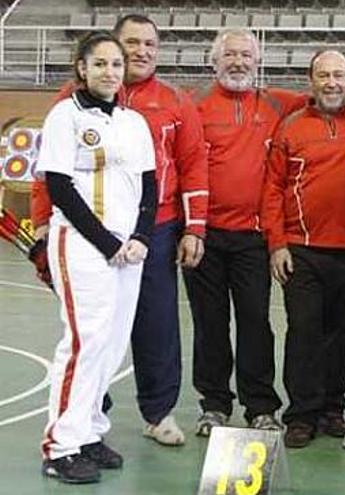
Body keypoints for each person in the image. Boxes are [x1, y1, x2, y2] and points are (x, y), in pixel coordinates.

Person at [30, 14, 208, 446]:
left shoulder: (173, 102)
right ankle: (80, 426)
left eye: (149, 44)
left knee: (156, 324)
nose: (139, 52)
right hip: (87, 237)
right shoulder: (67, 107)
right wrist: (40, 227)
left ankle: (157, 412)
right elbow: (50, 177)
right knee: (91, 333)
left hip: (153, 231)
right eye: (130, 43)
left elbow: (190, 164)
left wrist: (192, 227)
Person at [188, 29, 345, 436]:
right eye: (230, 55)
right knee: (210, 325)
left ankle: (263, 407)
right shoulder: (194, 105)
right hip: (207, 235)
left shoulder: (278, 104)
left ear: (258, 61)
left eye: (246, 55)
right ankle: (215, 404)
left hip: (257, 238)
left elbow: (334, 98)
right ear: (214, 60)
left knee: (258, 323)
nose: (238, 62)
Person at [37, 31, 157, 484]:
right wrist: (109, 244)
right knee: (84, 344)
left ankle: (89, 431)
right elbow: (61, 189)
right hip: (84, 247)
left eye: (117, 65)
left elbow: (149, 185)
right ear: (82, 68)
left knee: (110, 344)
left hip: (131, 250)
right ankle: (60, 445)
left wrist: (141, 236)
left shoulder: (133, 122)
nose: (110, 72)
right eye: (101, 64)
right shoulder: (63, 117)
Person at [261, 50, 345, 448]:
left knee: (343, 335)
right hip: (302, 250)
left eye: (339, 75)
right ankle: (301, 415)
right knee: (304, 333)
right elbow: (272, 189)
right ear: (311, 81)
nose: (331, 83)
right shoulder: (291, 126)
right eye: (323, 75)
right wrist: (277, 244)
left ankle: (332, 408)